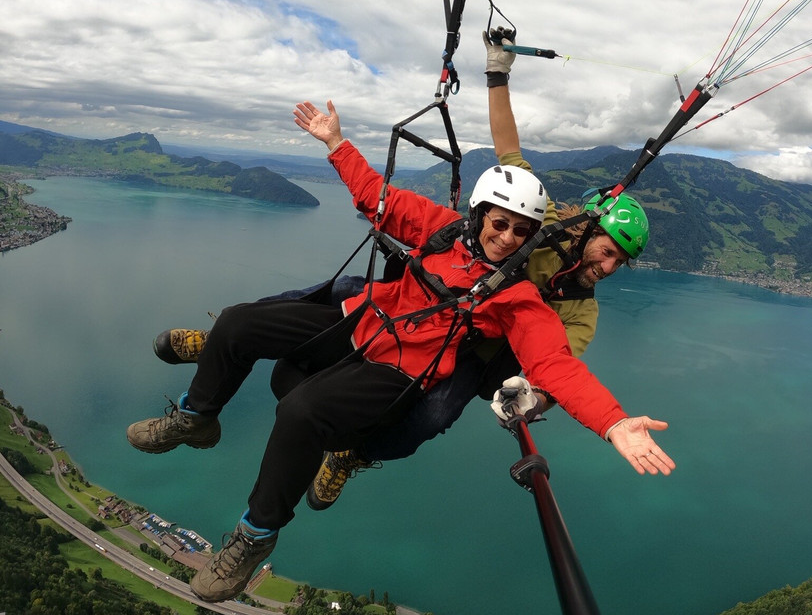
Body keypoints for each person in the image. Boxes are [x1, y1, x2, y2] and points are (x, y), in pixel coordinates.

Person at [126, 99, 675, 603]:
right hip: (364, 317)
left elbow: (554, 362)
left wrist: (613, 423)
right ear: (481, 214)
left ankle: (253, 538)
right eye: (500, 223)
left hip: (405, 364)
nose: (506, 238)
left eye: (519, 231)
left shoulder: (517, 295)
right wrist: (336, 143)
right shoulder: (443, 230)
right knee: (239, 322)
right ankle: (196, 419)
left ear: (532, 236)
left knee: (301, 411)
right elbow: (379, 201)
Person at [154, 29, 653, 514]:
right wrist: (496, 75)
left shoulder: (572, 307)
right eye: (607, 252)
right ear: (586, 232)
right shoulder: (529, 215)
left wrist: (567, 408)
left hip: (473, 346)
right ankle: (225, 341)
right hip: (423, 308)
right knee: (338, 292)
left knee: (429, 417)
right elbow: (491, 154)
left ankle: (352, 455)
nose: (607, 267)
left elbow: (556, 364)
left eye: (618, 263)